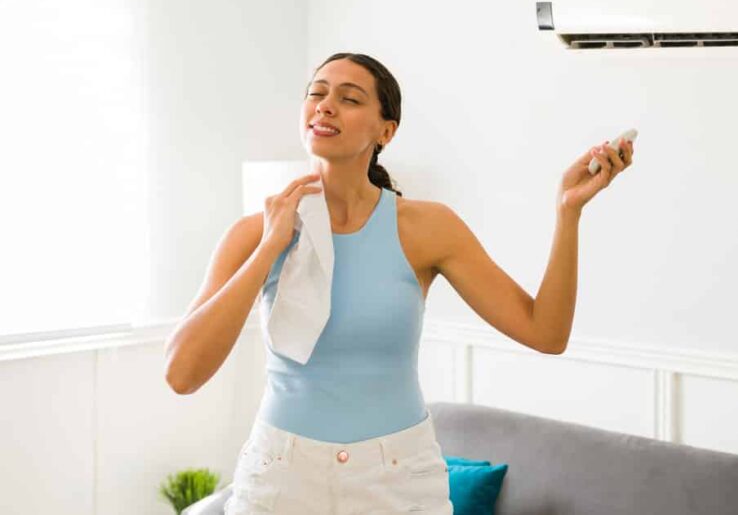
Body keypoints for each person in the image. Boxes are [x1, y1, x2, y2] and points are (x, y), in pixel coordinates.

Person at [164, 52, 634, 513]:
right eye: (316, 93)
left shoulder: (427, 228)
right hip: (280, 479)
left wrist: (567, 212)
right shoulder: (255, 232)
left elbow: (545, 332)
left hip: (397, 481)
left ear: (386, 131)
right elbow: (182, 373)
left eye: (349, 99)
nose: (325, 105)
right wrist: (269, 247)